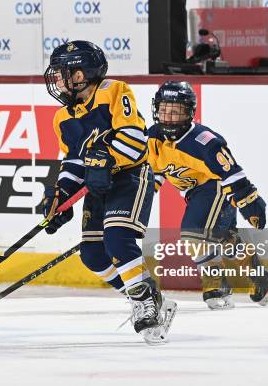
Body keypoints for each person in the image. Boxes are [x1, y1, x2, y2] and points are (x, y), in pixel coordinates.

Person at [42, 40, 176, 343]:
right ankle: (144, 294)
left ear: (83, 73)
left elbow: (134, 140)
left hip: (131, 177)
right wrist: (60, 196)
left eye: (65, 73)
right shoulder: (62, 118)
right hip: (99, 184)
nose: (59, 80)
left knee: (118, 239)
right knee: (93, 255)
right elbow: (74, 161)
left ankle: (145, 301)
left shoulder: (114, 91)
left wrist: (107, 160)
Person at [147, 81, 268, 310]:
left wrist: (249, 202)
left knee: (193, 235)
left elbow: (231, 172)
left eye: (175, 111)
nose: (168, 117)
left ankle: (217, 285)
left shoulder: (204, 142)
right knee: (226, 238)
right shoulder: (152, 137)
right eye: (164, 110)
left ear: (189, 112)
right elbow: (156, 170)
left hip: (216, 187)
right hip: (194, 193)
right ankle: (264, 280)